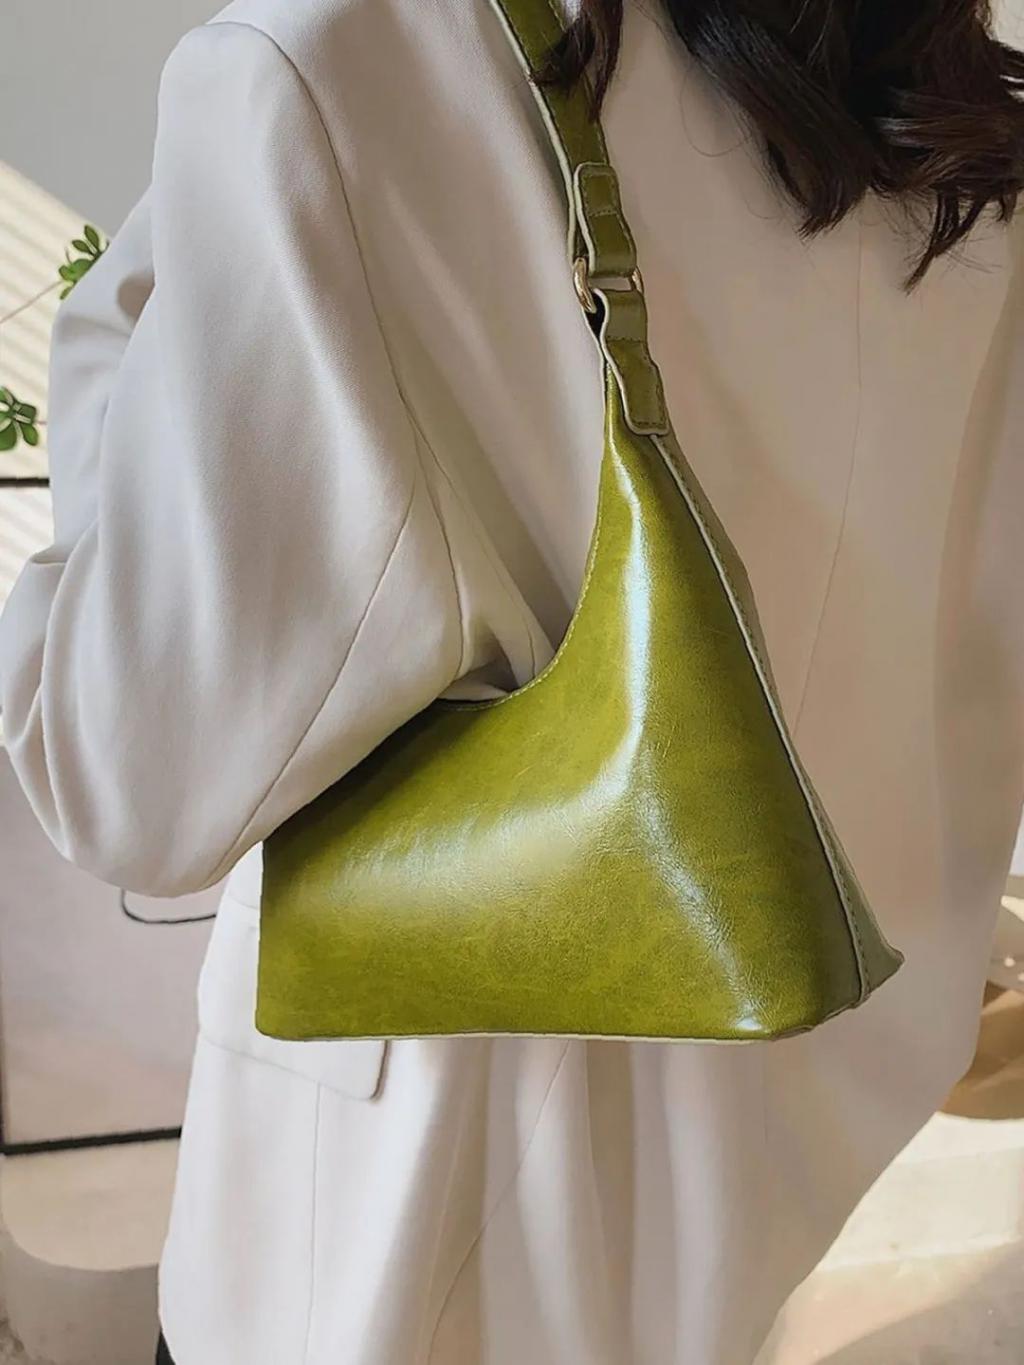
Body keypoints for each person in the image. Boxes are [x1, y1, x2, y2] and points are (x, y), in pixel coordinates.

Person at [2, 0, 1022, 1361]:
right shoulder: (951, 113)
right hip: (768, 1166)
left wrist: (114, 331)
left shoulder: (351, 58)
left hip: (407, 1244)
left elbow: (120, 776)